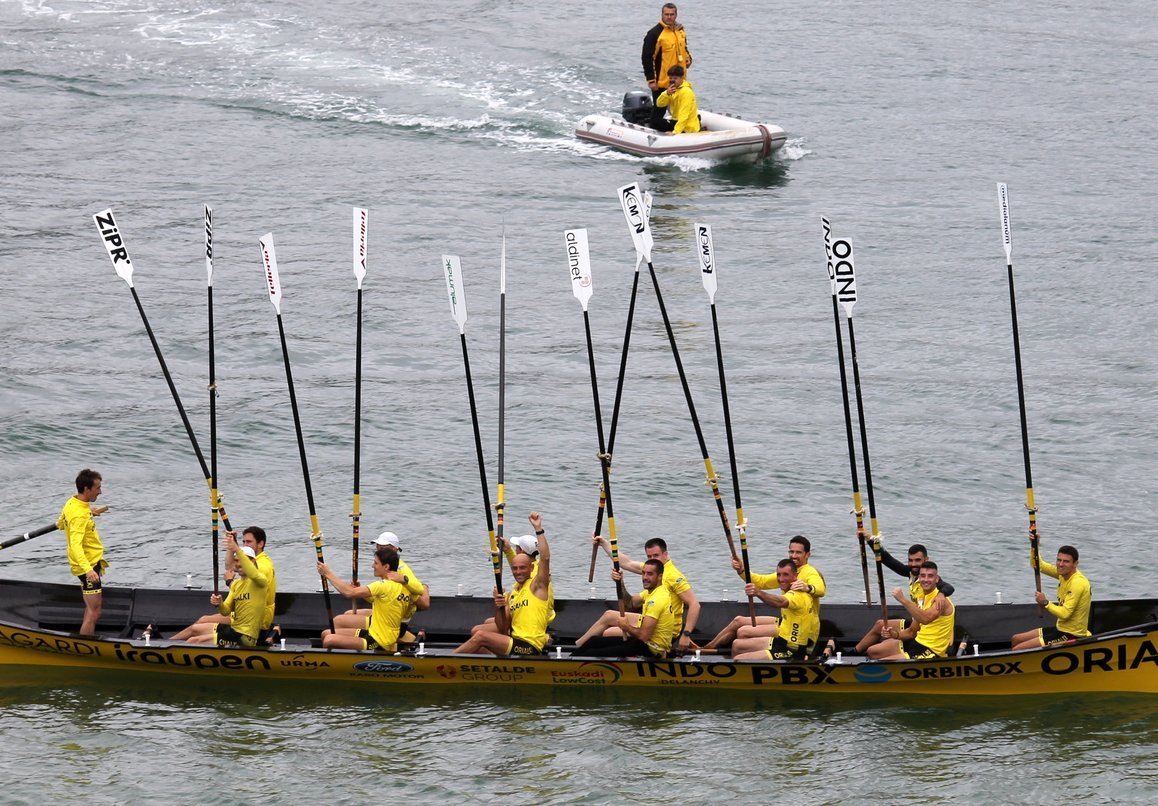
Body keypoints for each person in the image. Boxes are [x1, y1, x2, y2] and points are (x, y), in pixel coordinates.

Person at [701, 535, 825, 650]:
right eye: (791, 551)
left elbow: (821, 589)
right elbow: (761, 581)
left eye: (798, 552)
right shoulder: (788, 572)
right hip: (787, 620)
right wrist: (741, 569)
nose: (793, 555)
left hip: (803, 630)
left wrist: (808, 587)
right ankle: (706, 648)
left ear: (807, 554)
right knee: (738, 621)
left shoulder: (810, 572)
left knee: (743, 632)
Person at [153, 526, 278, 641]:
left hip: (257, 621)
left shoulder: (263, 565)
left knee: (197, 636)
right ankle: (166, 643)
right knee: (202, 622)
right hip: (241, 615)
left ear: (261, 544)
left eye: (249, 542)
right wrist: (231, 546)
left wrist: (236, 550)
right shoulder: (242, 573)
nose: (245, 544)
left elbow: (251, 573)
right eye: (243, 541)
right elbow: (232, 567)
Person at [454, 512, 552, 657]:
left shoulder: (537, 585)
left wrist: (538, 529)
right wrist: (500, 606)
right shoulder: (514, 593)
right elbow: (502, 627)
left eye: (522, 568)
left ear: (531, 568)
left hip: (529, 646)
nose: (518, 572)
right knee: (478, 646)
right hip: (514, 639)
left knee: (481, 635)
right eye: (514, 569)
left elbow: (545, 558)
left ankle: (441, 663)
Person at [592, 535, 700, 651]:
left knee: (609, 620)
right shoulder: (651, 568)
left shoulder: (673, 576)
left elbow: (695, 604)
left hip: (666, 629)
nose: (653, 559)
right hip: (652, 620)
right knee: (608, 632)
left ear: (665, 554)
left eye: (656, 555)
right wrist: (604, 543)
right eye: (649, 556)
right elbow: (626, 563)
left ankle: (577, 649)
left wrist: (686, 635)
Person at [852, 533, 954, 654]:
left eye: (918, 560)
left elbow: (949, 587)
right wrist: (869, 539)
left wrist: (942, 594)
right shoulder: (912, 573)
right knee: (880, 625)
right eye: (910, 560)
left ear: (926, 560)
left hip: (929, 626)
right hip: (917, 620)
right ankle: (853, 652)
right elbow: (888, 560)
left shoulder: (931, 580)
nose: (914, 564)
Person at [317, 546, 423, 651]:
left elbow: (350, 593)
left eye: (376, 563)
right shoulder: (405, 587)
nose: (373, 566)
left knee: (329, 640)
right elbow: (379, 599)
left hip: (379, 641)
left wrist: (328, 573)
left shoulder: (382, 585)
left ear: (386, 567)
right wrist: (359, 589)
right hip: (374, 632)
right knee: (326, 633)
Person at [335, 531, 429, 642]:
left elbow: (420, 591)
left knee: (339, 621)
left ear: (395, 549)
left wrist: (405, 580)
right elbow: (382, 597)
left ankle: (359, 645)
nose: (379, 550)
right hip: (391, 611)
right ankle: (411, 639)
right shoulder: (388, 566)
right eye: (378, 547)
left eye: (383, 547)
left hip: (397, 619)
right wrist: (360, 590)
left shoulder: (401, 568)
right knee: (348, 614)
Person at [573, 561, 678, 657]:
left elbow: (643, 636)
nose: (645, 577)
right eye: (643, 573)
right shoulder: (653, 592)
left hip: (652, 650)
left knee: (590, 654)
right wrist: (620, 583)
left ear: (660, 577)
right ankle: (572, 656)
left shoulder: (656, 600)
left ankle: (569, 668)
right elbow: (630, 602)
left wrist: (626, 626)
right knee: (594, 641)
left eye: (650, 574)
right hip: (643, 643)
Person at [864, 562, 956, 660]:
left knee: (881, 665)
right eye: (923, 576)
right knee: (872, 652)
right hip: (917, 642)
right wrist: (894, 634)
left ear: (937, 579)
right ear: (919, 578)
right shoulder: (921, 598)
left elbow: (926, 618)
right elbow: (912, 632)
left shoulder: (941, 600)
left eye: (930, 576)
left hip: (932, 650)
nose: (926, 580)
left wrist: (903, 599)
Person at [732, 560, 820, 661]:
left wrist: (758, 593)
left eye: (785, 575)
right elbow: (761, 581)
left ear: (795, 576)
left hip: (792, 650)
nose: (781, 579)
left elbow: (780, 602)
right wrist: (741, 570)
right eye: (778, 575)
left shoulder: (798, 595)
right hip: (782, 641)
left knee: (738, 659)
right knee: (737, 645)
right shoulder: (789, 591)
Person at [1011, 540, 1091, 649]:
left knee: (1017, 649)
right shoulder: (1063, 574)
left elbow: (1065, 614)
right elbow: (1038, 565)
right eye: (1059, 560)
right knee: (1015, 639)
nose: (1061, 564)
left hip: (1072, 634)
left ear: (1075, 564)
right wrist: (1035, 544)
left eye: (1066, 561)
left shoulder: (1078, 583)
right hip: (1060, 628)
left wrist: (1045, 602)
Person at [57, 468, 107, 636]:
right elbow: (75, 546)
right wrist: (88, 570)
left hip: (87, 564)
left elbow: (60, 524)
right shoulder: (79, 515)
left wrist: (88, 511)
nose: (100, 491)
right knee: (95, 612)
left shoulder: (72, 502)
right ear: (87, 489)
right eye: (97, 488)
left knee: (91, 609)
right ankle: (85, 646)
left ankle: (85, 641)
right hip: (88, 566)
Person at [642, 3, 692, 129]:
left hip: (681, 82)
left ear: (676, 15)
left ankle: (683, 129)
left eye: (672, 14)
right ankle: (658, 134)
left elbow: (684, 47)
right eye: (667, 14)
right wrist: (651, 80)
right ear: (662, 15)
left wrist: (688, 59)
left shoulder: (680, 30)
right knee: (658, 114)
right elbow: (647, 57)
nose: (669, 17)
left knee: (683, 110)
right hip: (662, 82)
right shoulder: (654, 33)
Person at [654, 65, 700, 134]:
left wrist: (675, 132)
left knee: (657, 122)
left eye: (675, 78)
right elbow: (659, 104)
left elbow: (684, 115)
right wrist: (667, 93)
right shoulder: (673, 89)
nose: (672, 80)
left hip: (687, 126)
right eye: (670, 78)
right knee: (655, 121)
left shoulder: (686, 92)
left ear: (682, 78)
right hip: (675, 120)